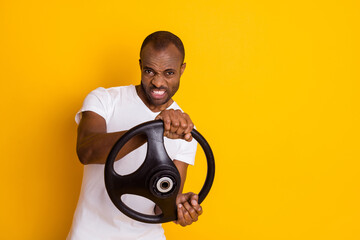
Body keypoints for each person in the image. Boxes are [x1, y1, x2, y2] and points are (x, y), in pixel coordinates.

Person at [67, 31, 203, 240]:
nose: (158, 82)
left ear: (182, 69)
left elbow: (163, 206)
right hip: (89, 234)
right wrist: (151, 132)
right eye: (150, 71)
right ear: (140, 65)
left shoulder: (184, 130)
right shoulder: (104, 100)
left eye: (168, 73)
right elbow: (87, 151)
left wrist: (179, 208)